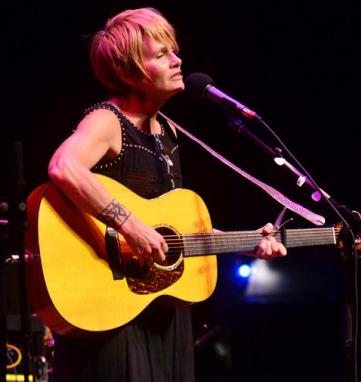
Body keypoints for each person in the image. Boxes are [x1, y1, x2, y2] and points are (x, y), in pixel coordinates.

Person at [46, 8, 286, 381]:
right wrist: (131, 226)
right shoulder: (107, 121)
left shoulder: (169, 134)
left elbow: (172, 236)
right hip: (113, 311)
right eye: (161, 55)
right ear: (128, 72)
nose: (178, 61)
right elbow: (64, 167)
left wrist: (247, 242)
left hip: (160, 312)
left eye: (174, 51)